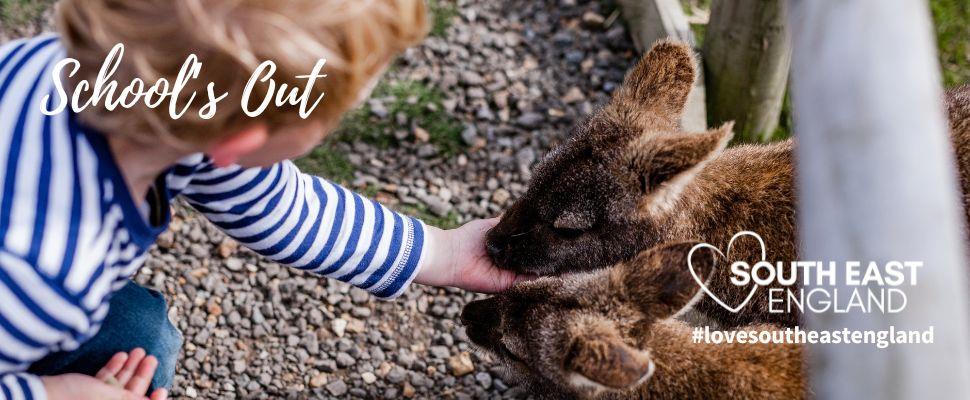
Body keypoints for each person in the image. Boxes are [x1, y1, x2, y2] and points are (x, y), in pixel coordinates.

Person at [0, 1, 523, 398]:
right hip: (24, 310)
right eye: (336, 118)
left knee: (141, 339)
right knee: (143, 359)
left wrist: (442, 253)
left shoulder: (98, 77)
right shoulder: (46, 270)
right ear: (242, 141)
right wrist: (51, 392)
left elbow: (280, 206)